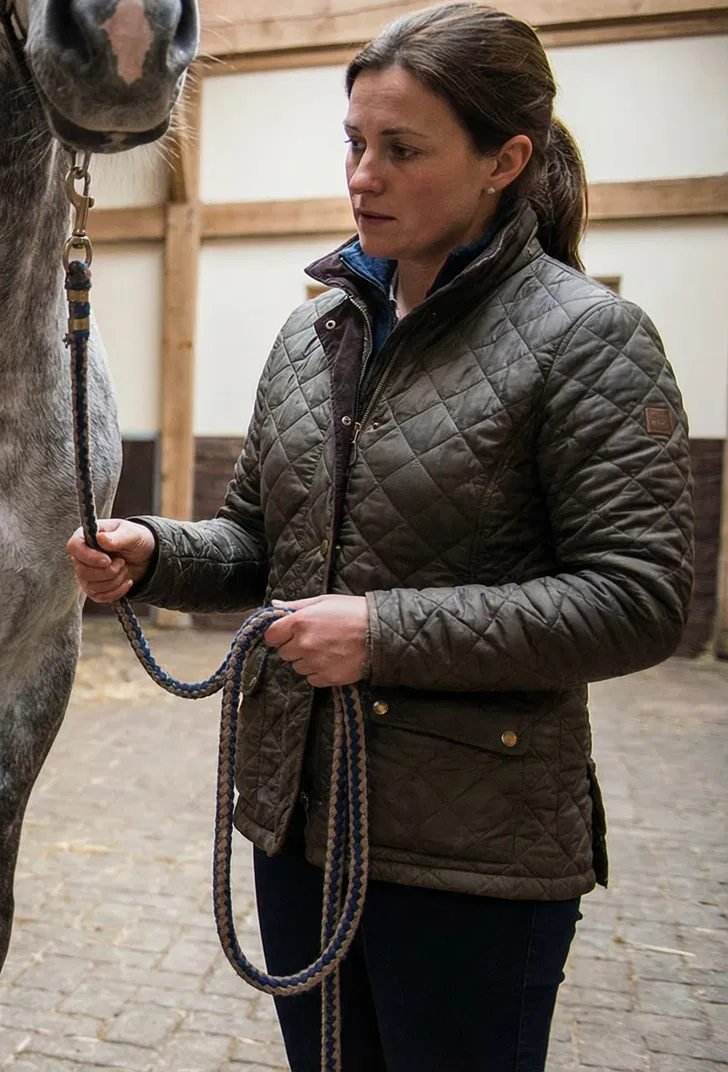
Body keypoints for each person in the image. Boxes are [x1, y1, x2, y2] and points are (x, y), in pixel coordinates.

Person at [68, 4, 694, 1068]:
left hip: (471, 853)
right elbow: (262, 542)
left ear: (506, 160)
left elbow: (638, 598)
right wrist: (160, 554)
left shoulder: (589, 337)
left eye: (402, 150)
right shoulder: (314, 331)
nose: (364, 175)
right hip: (299, 824)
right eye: (355, 143)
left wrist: (382, 632)